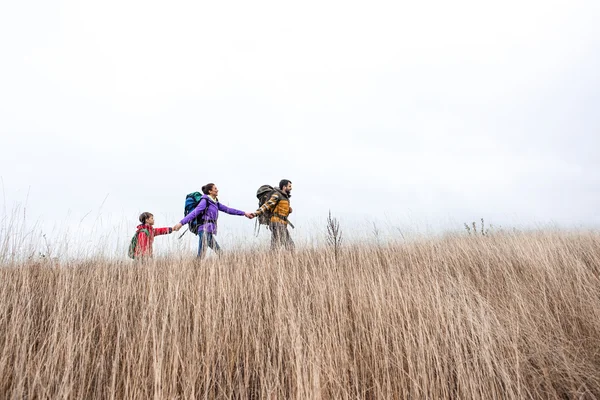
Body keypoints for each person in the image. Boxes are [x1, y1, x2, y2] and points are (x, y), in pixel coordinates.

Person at [173, 183, 254, 258]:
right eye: (215, 188)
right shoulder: (205, 201)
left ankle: (196, 270)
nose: (217, 190)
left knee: (205, 255)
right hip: (204, 230)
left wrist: (244, 213)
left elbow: (228, 210)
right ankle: (195, 270)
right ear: (210, 191)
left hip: (209, 231)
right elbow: (194, 213)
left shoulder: (215, 203)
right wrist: (181, 223)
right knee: (211, 253)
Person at [254, 179, 294, 250]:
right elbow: (268, 205)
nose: (291, 188)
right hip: (277, 223)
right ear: (284, 187)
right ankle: (274, 259)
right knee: (289, 246)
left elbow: (280, 209)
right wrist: (256, 213)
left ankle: (272, 259)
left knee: (276, 246)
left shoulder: (284, 197)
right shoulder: (277, 195)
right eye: (289, 186)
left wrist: (288, 210)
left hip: (281, 223)